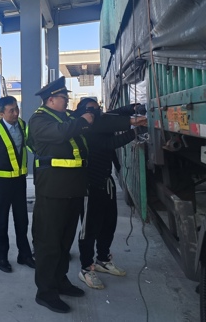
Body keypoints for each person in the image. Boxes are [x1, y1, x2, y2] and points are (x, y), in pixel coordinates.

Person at [27, 77, 94, 314]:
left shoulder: (66, 118)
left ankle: (60, 280)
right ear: (51, 100)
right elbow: (59, 134)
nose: (67, 101)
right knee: (49, 243)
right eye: (64, 98)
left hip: (72, 190)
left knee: (65, 241)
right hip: (52, 191)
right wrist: (82, 121)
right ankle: (45, 292)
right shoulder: (39, 120)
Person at [74, 98, 147, 290]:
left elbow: (114, 115)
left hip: (106, 182)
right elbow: (112, 142)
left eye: (98, 109)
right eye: (92, 110)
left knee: (108, 224)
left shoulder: (100, 120)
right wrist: (136, 129)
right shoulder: (85, 127)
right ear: (82, 112)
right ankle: (86, 267)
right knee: (89, 229)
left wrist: (133, 108)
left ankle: (103, 259)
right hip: (90, 185)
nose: (96, 113)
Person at [0, 95, 35, 273]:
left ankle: (24, 254)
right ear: (1, 113)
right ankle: (2, 256)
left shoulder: (22, 125)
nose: (15, 113)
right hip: (3, 183)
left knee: (22, 219)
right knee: (2, 220)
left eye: (16, 109)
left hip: (20, 181)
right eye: (11, 110)